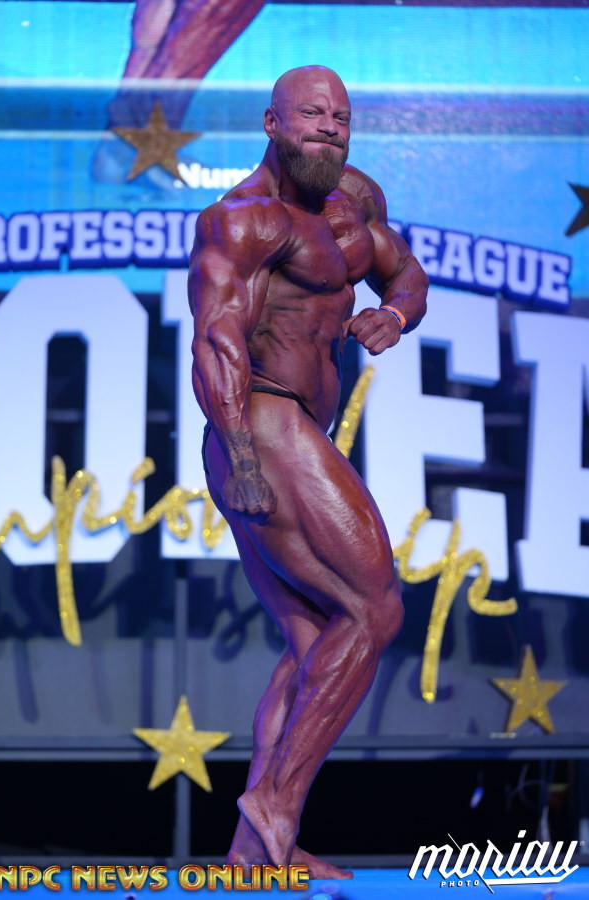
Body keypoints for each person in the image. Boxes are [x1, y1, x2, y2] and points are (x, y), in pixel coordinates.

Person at [188, 65, 429, 878]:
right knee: (375, 608)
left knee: (319, 641)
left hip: (291, 430)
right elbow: (216, 339)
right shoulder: (241, 221)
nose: (329, 127)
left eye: (341, 117)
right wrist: (242, 454)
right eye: (312, 114)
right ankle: (274, 803)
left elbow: (405, 270)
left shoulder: (353, 203)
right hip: (261, 421)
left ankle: (257, 850)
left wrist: (393, 314)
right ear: (272, 123)